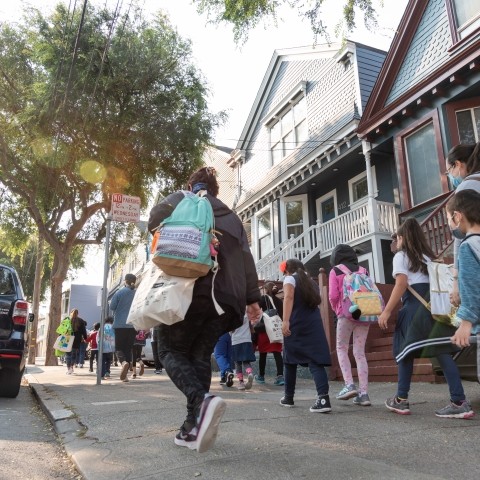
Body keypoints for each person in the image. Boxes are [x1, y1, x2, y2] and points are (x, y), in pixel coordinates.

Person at [148, 166, 262, 453]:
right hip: (226, 300)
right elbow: (247, 260)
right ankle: (192, 428)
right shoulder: (234, 218)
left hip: (191, 289)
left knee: (169, 351)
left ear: (191, 184)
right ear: (216, 190)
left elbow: (153, 220)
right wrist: (252, 299)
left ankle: (202, 402)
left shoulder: (181, 200)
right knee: (199, 354)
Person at [378, 218, 474, 418]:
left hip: (414, 308)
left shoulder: (401, 256)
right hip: (434, 308)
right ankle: (459, 401)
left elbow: (401, 284)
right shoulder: (428, 257)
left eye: (398, 237)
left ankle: (401, 399)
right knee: (442, 352)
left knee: (405, 353)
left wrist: (387, 310)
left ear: (403, 238)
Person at [279, 259, 332, 413]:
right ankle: (323, 399)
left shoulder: (290, 279)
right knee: (315, 361)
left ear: (288, 270)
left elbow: (288, 298)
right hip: (313, 324)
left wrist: (286, 321)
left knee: (289, 360)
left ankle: (288, 397)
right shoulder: (311, 282)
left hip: (296, 323)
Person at [329, 244, 372, 406]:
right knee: (359, 353)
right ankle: (364, 393)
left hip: (346, 314)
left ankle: (349, 385)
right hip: (364, 313)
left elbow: (333, 295)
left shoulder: (336, 271)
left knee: (341, 348)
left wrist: (338, 310)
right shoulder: (363, 270)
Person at [444, 143, 480, 306]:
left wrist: (456, 283)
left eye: (448, 171)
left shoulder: (465, 188)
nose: (450, 176)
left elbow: (460, 238)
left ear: (457, 164)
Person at [446, 190, 480, 348]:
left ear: (458, 216)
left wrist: (466, 323)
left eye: (449, 219)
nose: (450, 225)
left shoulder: (468, 247)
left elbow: (471, 286)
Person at [110, 273, 137, 382]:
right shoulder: (136, 293)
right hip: (132, 325)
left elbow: (112, 307)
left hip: (120, 325)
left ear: (125, 281)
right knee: (127, 349)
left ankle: (123, 362)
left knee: (119, 348)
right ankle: (125, 376)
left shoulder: (119, 292)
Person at [256, 282, 284, 386]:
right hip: (276, 329)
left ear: (265, 289)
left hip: (265, 330)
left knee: (263, 353)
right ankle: (280, 377)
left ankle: (261, 376)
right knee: (277, 353)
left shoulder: (263, 298)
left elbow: (257, 311)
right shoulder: (279, 301)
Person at [231, 314, 256, 390]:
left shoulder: (233, 315)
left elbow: (230, 330)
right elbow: (253, 323)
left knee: (237, 363)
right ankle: (249, 373)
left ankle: (241, 382)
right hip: (247, 340)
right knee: (246, 361)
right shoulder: (247, 313)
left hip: (236, 341)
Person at [65, 309, 87, 375]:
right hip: (77, 339)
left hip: (67, 338)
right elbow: (84, 331)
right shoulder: (81, 321)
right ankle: (71, 367)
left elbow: (62, 329)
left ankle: (69, 369)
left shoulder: (67, 319)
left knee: (68, 354)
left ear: (71, 312)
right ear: (78, 313)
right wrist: (85, 338)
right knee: (74, 354)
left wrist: (60, 336)